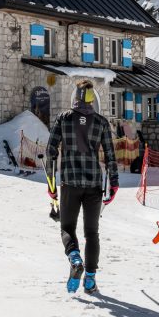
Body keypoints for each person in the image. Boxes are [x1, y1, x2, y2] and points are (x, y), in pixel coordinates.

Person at [45, 79, 119, 294]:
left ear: (75, 97)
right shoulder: (101, 123)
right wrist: (113, 184)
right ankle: (90, 279)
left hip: (70, 181)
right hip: (94, 183)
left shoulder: (63, 119)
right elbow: (111, 157)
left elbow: (51, 152)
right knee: (92, 232)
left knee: (67, 227)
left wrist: (51, 182)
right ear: (91, 98)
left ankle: (74, 257)